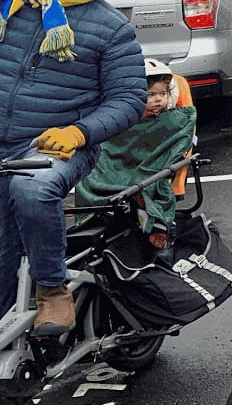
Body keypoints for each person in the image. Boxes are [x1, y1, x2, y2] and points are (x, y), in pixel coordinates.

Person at [0, 0, 147, 334]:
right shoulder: (1, 4)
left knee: (32, 189)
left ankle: (53, 290)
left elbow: (129, 99)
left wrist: (79, 132)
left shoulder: (110, 27)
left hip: (51, 145)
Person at [75, 57, 197, 256]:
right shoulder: (123, 120)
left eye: (163, 94)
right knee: (91, 168)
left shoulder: (173, 120)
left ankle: (153, 219)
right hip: (121, 167)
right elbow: (112, 146)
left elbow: (175, 146)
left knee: (152, 181)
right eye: (150, 95)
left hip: (151, 169)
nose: (158, 99)